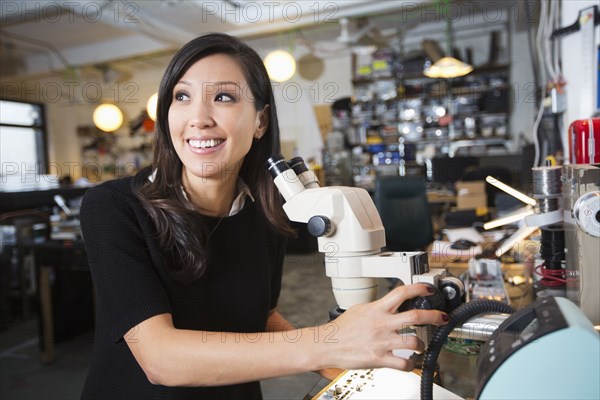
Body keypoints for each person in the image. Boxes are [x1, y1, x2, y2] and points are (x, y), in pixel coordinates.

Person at [79, 33, 449, 400]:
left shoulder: (266, 213)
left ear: (260, 121)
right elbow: (161, 358)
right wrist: (331, 342)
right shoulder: (112, 207)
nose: (199, 118)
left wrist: (354, 369)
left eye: (223, 97)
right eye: (182, 96)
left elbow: (264, 317)